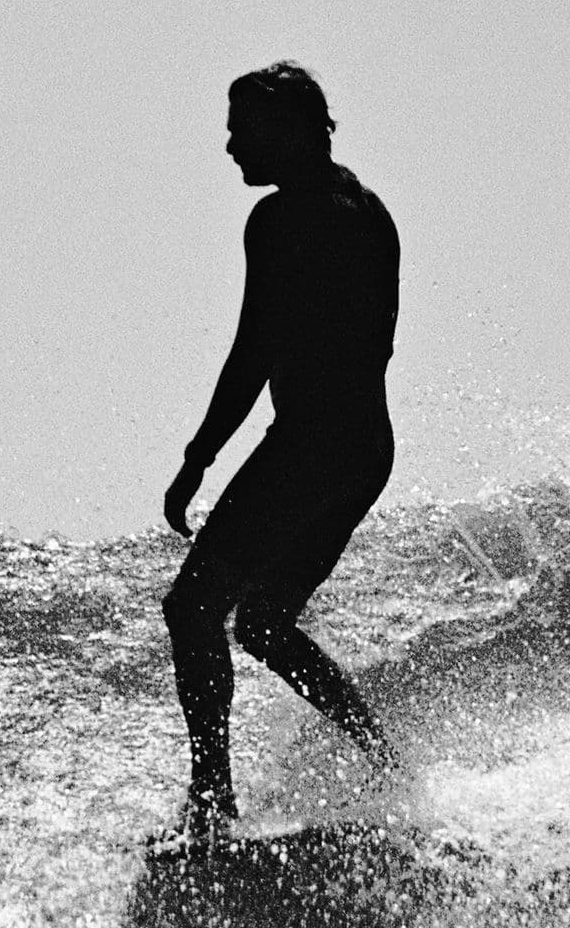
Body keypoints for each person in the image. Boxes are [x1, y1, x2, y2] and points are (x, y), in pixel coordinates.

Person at [157, 61, 401, 852]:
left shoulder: (287, 220)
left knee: (192, 608)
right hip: (365, 449)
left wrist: (199, 458)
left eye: (243, 128)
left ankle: (210, 799)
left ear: (292, 130)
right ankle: (389, 763)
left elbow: (253, 349)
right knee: (261, 624)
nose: (230, 145)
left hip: (315, 446)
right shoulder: (366, 208)